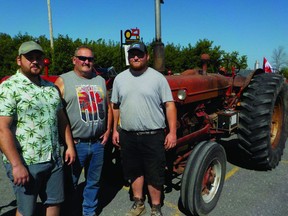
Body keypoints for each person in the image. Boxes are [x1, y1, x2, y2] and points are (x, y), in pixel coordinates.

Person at [0, 41, 76, 216]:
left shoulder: (51, 88)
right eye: (30, 58)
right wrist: (16, 164)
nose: (35, 61)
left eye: (38, 58)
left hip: (53, 158)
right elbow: (2, 128)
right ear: (19, 60)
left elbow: (61, 119)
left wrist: (69, 146)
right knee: (26, 210)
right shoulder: (9, 88)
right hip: (26, 161)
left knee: (54, 203)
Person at [111, 42, 177, 216]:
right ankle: (138, 203)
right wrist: (115, 130)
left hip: (153, 135)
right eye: (132, 54)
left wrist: (172, 132)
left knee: (154, 172)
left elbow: (169, 105)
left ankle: (156, 208)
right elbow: (115, 106)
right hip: (128, 135)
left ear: (147, 56)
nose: (135, 57)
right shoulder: (120, 79)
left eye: (139, 54)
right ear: (128, 57)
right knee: (134, 170)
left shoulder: (158, 78)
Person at [55, 45, 112, 216]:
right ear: (74, 60)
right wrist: (67, 143)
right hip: (75, 144)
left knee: (93, 182)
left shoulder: (100, 80)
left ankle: (89, 212)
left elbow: (108, 107)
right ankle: (70, 212)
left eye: (90, 59)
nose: (87, 62)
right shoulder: (63, 81)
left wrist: (108, 130)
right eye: (82, 58)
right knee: (70, 183)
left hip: (98, 143)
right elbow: (57, 114)